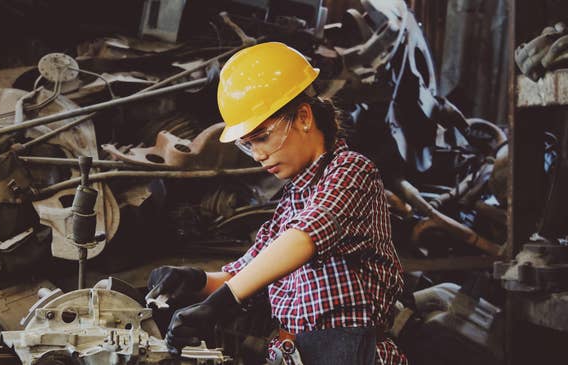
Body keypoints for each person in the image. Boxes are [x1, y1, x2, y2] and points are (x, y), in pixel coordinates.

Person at [146, 42, 405, 365]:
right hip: (296, 356)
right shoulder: (292, 201)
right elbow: (245, 274)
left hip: (351, 354)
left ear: (304, 117)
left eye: (263, 137)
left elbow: (306, 237)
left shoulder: (352, 170)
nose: (258, 155)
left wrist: (219, 304)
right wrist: (192, 280)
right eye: (248, 144)